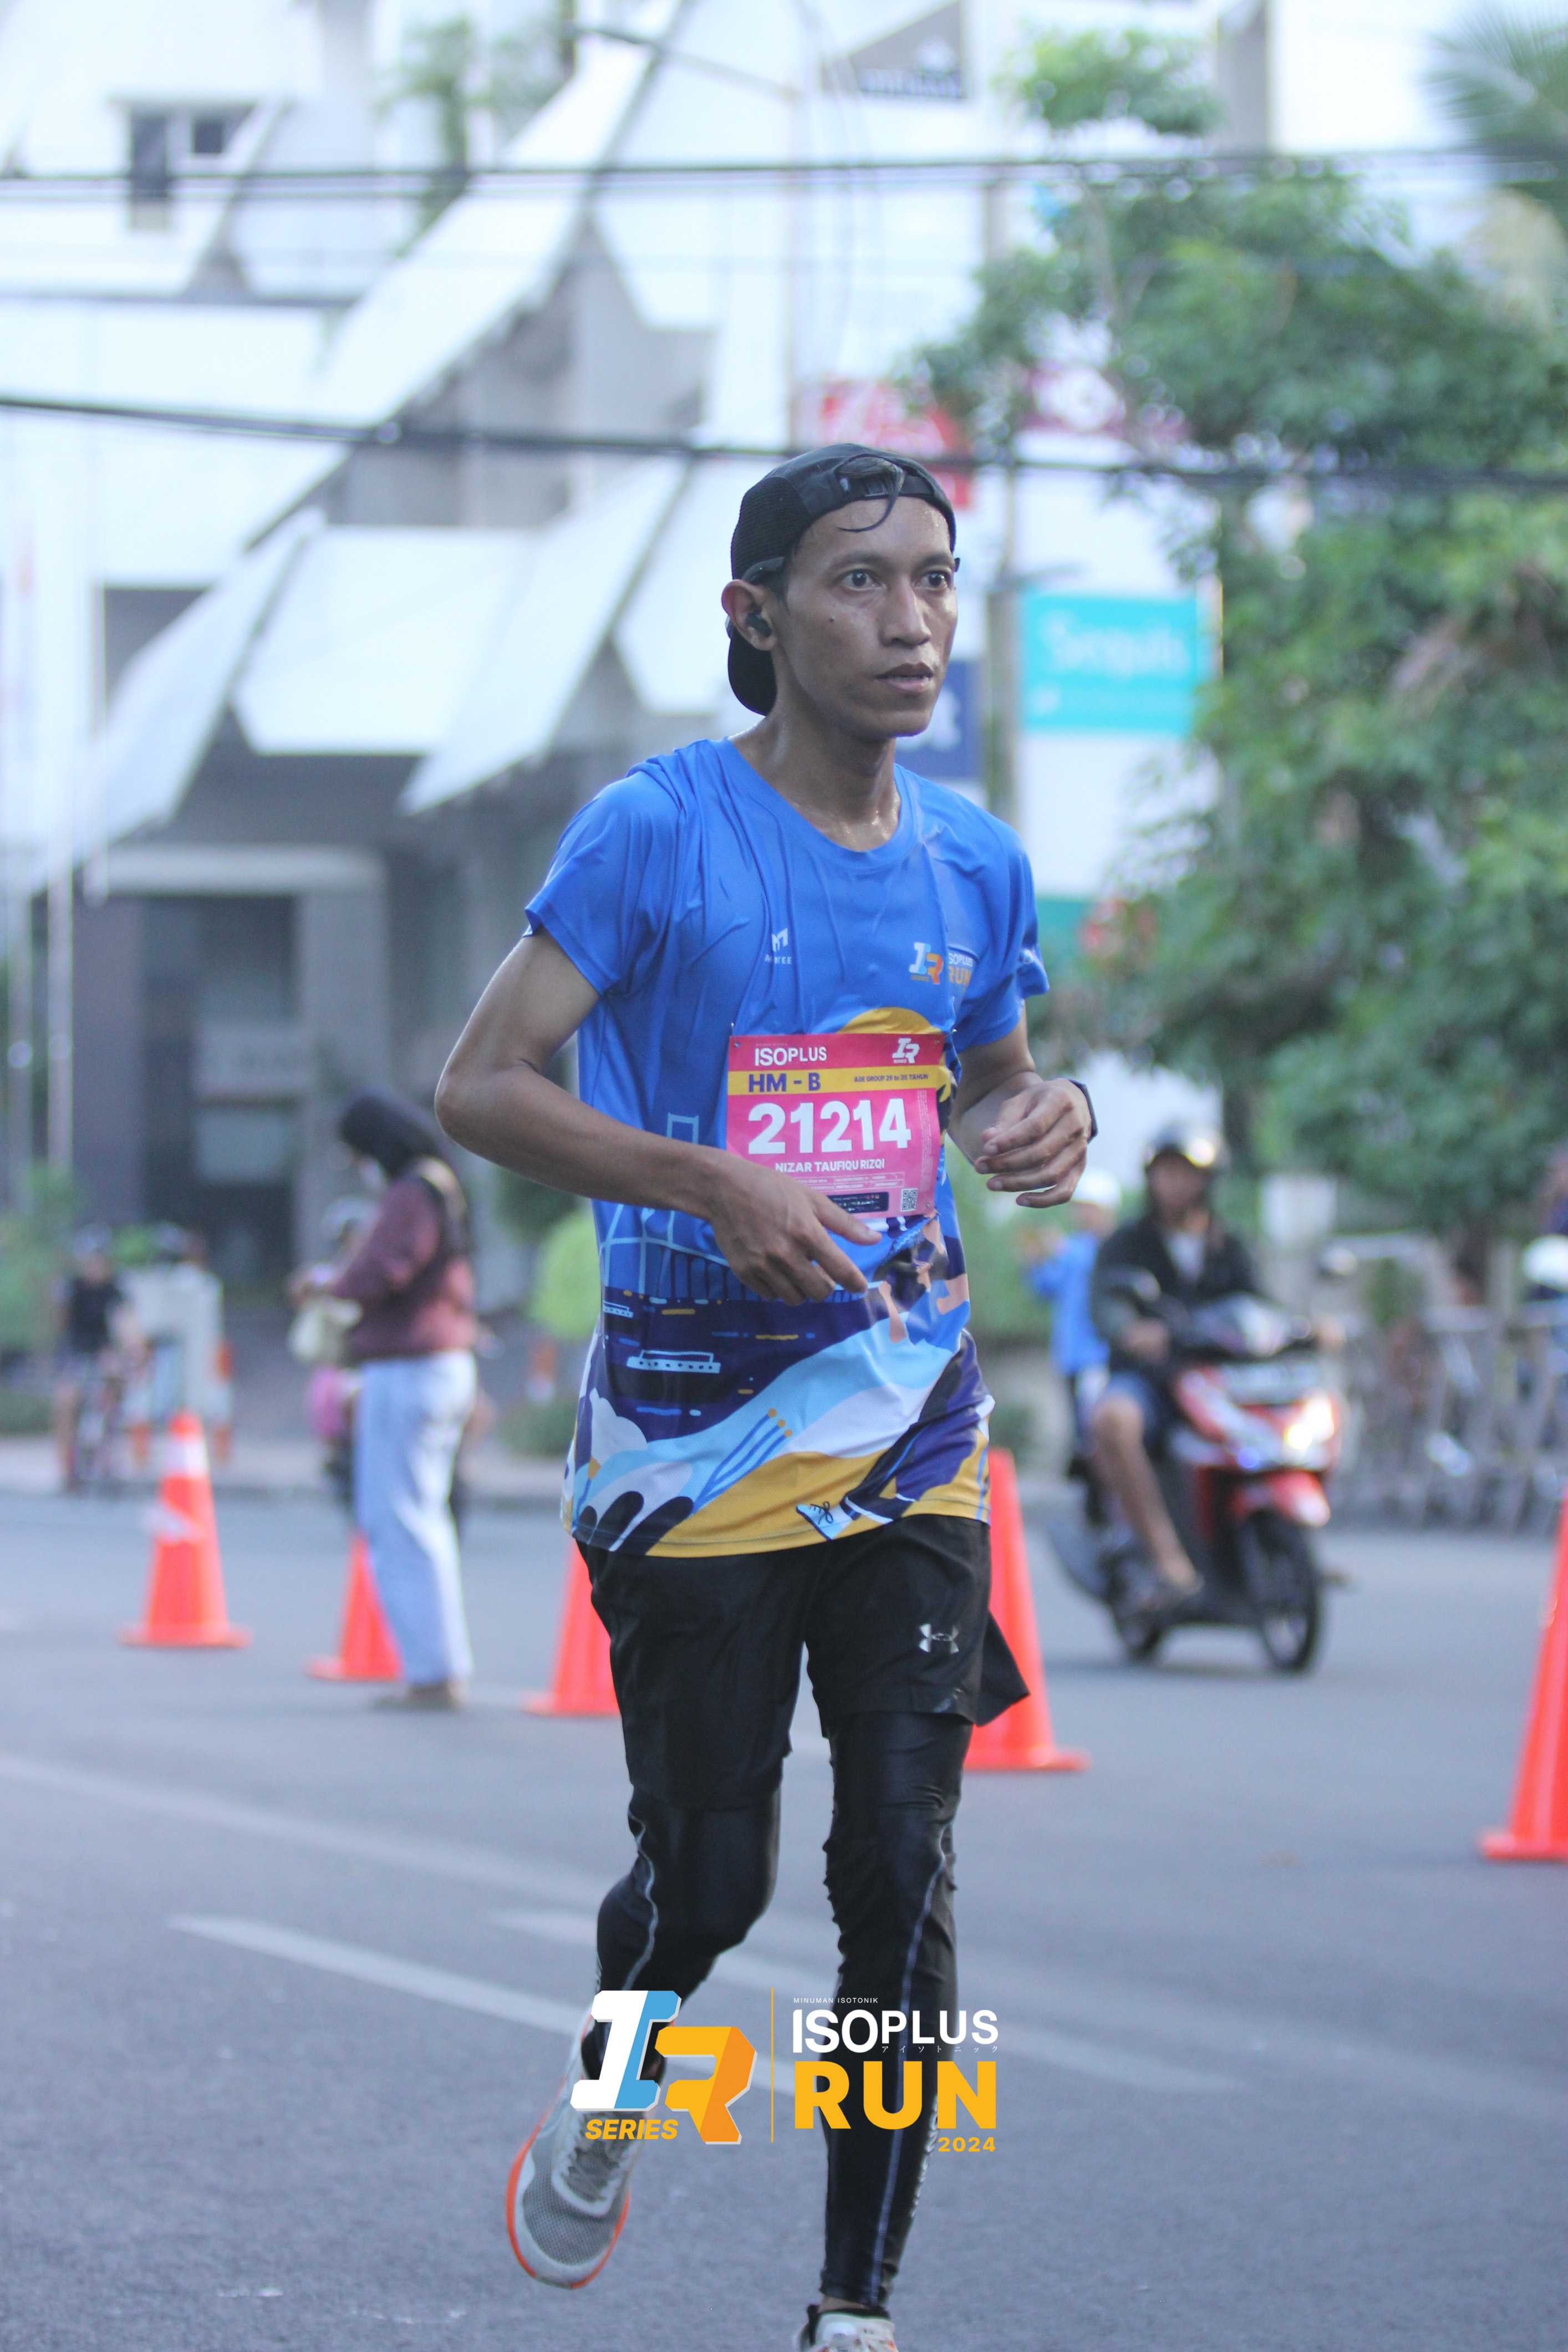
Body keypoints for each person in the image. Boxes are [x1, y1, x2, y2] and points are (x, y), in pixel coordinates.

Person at [436, 444, 1094, 2352]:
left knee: (900, 1860)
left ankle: (851, 2307)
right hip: (690, 1447)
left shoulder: (974, 862)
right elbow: (481, 1084)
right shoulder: (654, 833)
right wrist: (707, 1180)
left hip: (907, 1433)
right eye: (858, 580)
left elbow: (989, 1078)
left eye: (932, 580)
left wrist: (1037, 1114)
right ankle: (613, 2083)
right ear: (756, 613)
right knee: (707, 1881)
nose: (909, 620)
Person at [301, 1087, 478, 1709]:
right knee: (420, 1518)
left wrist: (329, 1283)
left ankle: (431, 1673)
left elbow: (385, 1268)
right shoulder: (442, 1184)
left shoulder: (412, 1192)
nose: (358, 1166)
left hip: (410, 1369)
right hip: (437, 1365)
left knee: (397, 1521)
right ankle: (437, 1666)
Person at [1088, 1123, 1256, 1600]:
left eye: (1187, 1173)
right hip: (1151, 1382)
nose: (1176, 1183)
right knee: (1112, 1419)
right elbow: (1105, 1306)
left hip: (1219, 1382)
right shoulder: (1126, 1244)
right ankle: (1166, 1558)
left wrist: (1309, 1327)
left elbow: (1261, 1304)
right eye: (1166, 1172)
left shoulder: (1232, 1246)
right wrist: (1131, 1331)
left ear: (1208, 1180)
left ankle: (1277, 1534)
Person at [1021, 1165, 1121, 1458]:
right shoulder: (1072, 1246)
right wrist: (1034, 1262)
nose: (1082, 1215)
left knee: (1095, 1425)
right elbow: (1046, 1289)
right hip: (1070, 1354)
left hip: (1099, 1355)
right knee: (1079, 1429)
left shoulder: (1111, 1247)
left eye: (1089, 1208)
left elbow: (1092, 1267)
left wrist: (1060, 1250)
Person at [53, 1229, 139, 1487]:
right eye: (91, 1260)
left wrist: (133, 1349)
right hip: (75, 1352)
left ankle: (109, 1453)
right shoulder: (72, 1288)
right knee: (66, 1400)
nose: (96, 1266)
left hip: (102, 1351)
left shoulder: (114, 1289)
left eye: (101, 1260)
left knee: (115, 1377)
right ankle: (67, 1468)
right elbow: (60, 1323)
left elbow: (125, 1322)